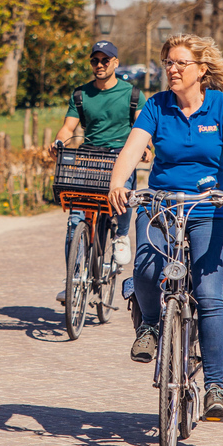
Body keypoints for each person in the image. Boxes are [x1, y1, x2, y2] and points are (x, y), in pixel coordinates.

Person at [108, 34, 223, 419]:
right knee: (145, 267)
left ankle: (214, 387)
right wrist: (118, 182)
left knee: (207, 294)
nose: (171, 70)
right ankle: (152, 328)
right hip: (161, 204)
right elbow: (130, 150)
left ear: (201, 70)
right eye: (167, 64)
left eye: (179, 63)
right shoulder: (156, 107)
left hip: (211, 208)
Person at [48, 40, 148, 303]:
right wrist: (59, 142)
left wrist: (145, 148)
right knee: (74, 219)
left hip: (121, 156)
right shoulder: (81, 94)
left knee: (122, 196)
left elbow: (142, 128)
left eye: (106, 60)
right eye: (95, 60)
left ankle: (122, 235)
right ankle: (72, 278)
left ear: (116, 63)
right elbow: (68, 129)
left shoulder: (132, 94)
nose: (100, 65)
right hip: (90, 157)